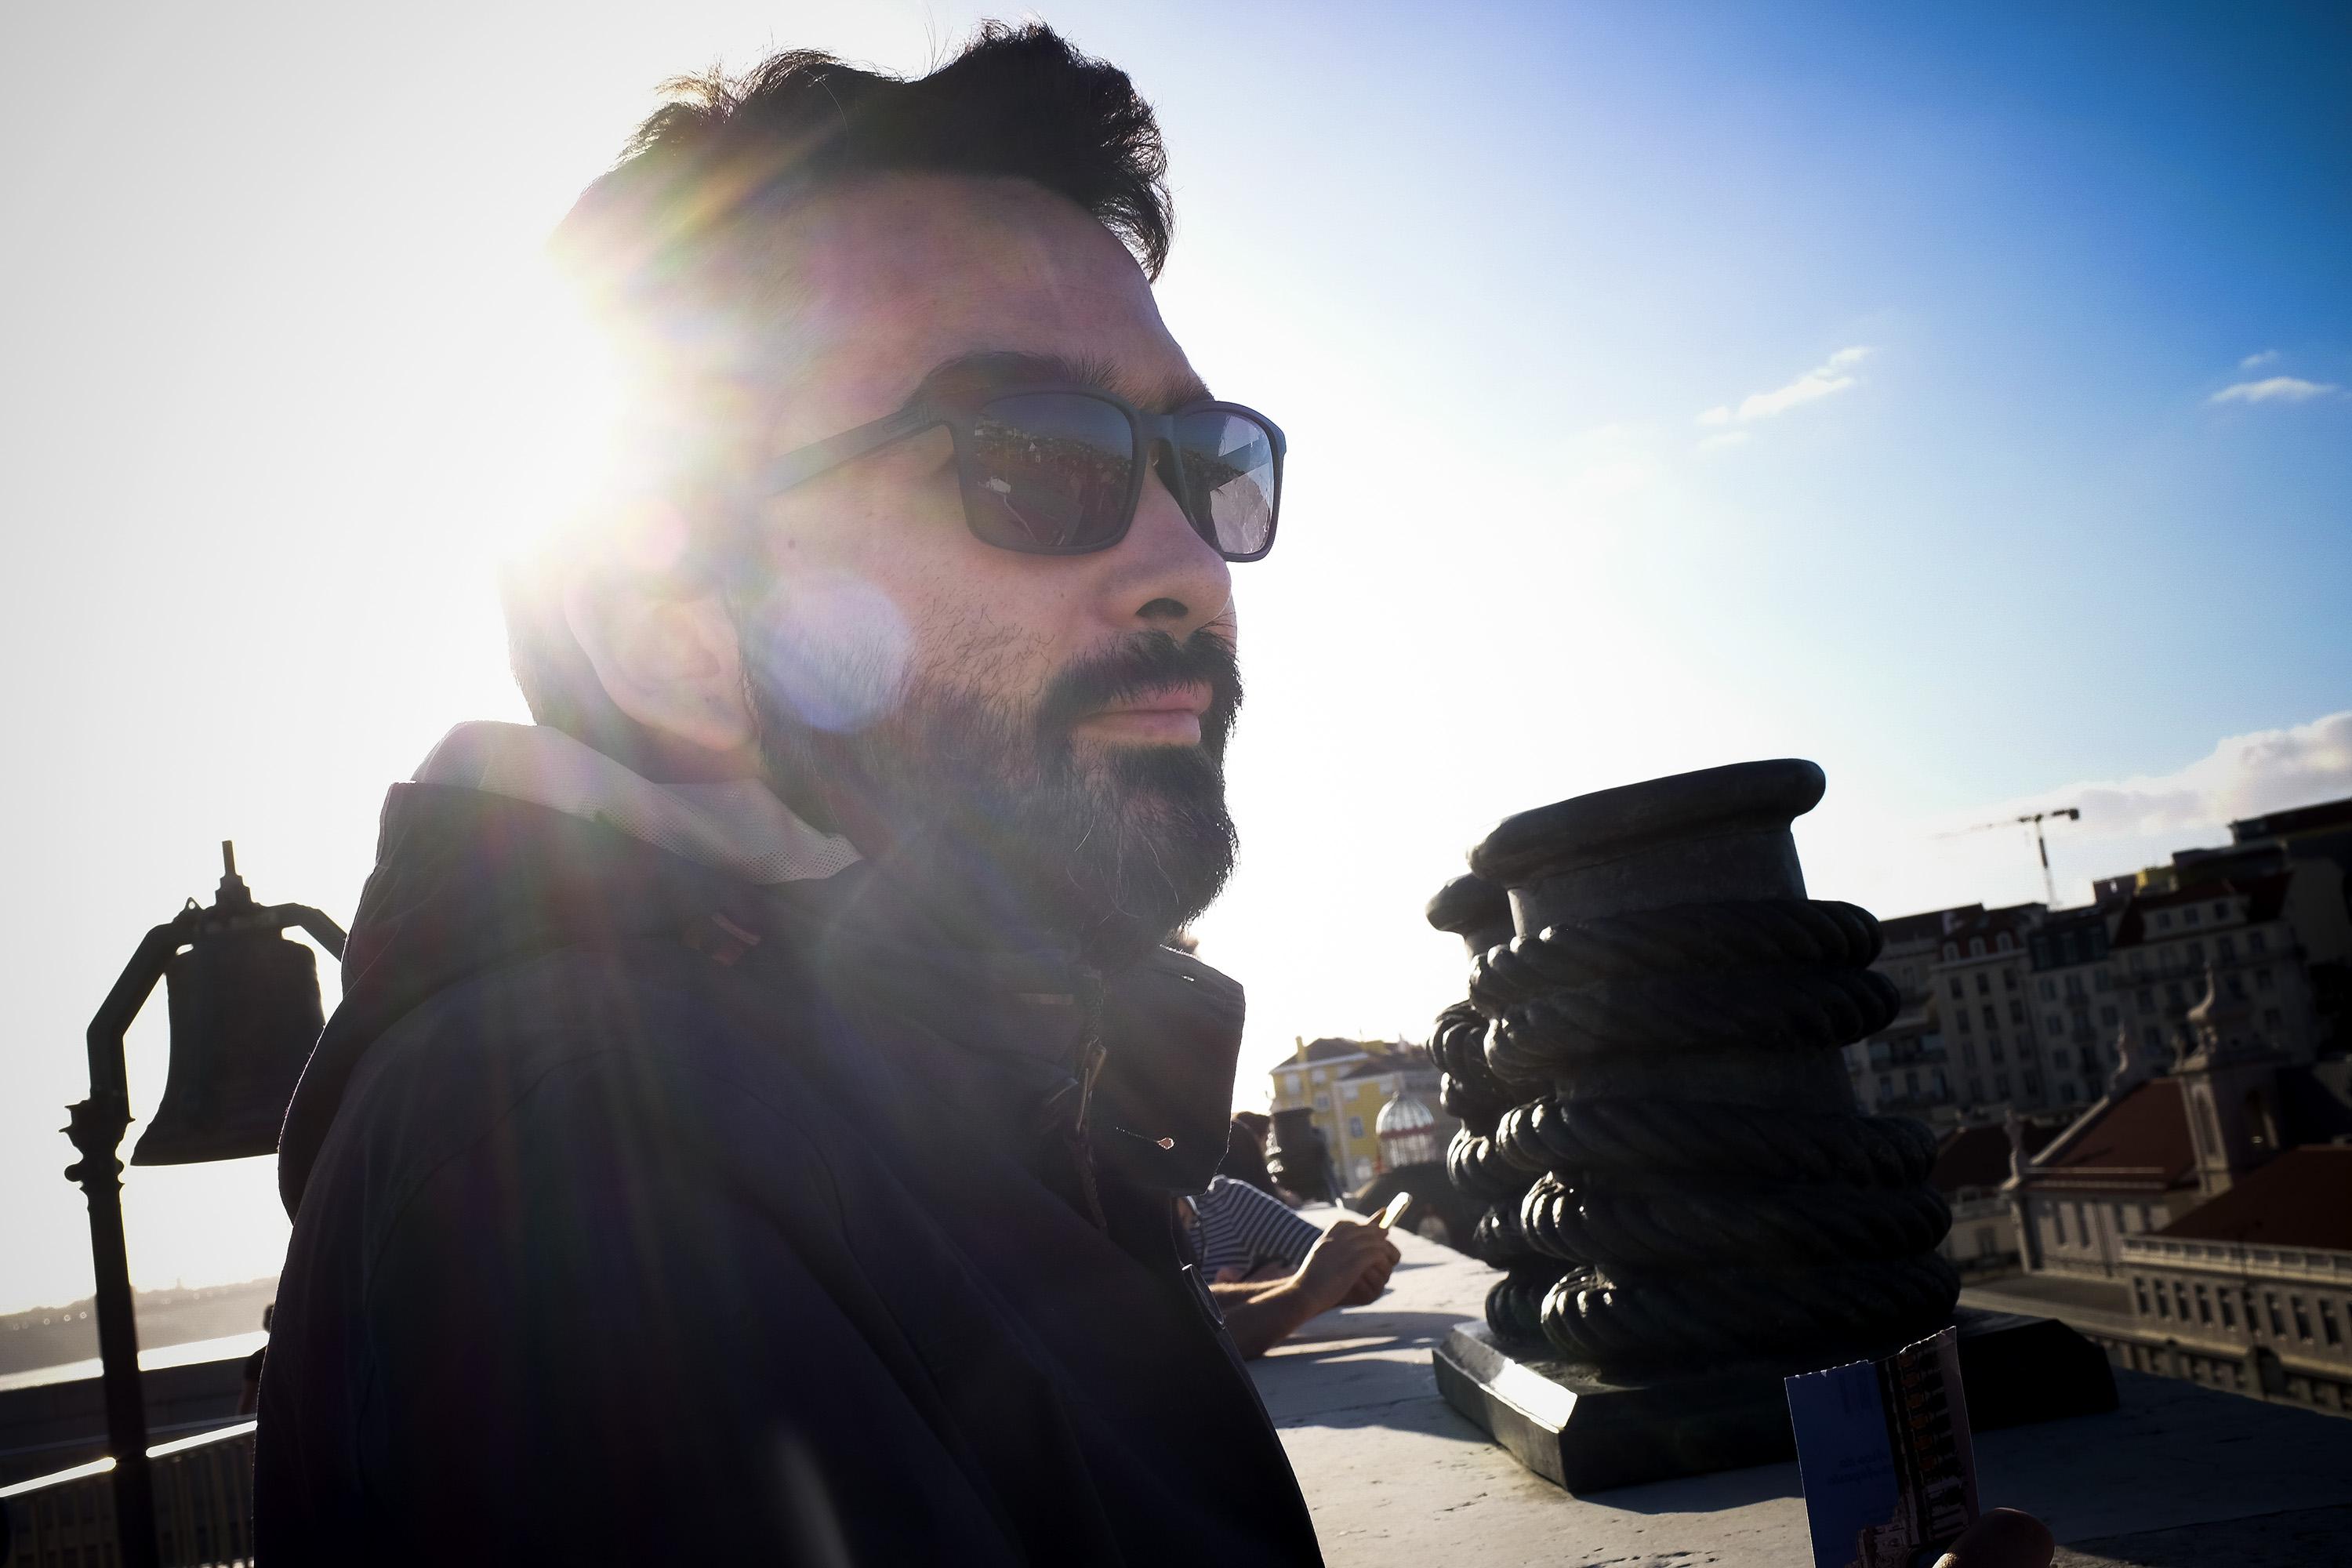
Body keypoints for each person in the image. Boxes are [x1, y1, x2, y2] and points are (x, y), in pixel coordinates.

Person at [259, 26, 1316, 1565]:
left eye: (1201, 458)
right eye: (1030, 454)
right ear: (687, 643)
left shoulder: (951, 1091)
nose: (1182, 565)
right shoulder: (576, 1164)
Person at [1185, 1179, 1399, 1359]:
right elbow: (1182, 1345)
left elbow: (1190, 1299)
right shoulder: (1153, 1222)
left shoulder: (1225, 1200)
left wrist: (1330, 1288)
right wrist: (1304, 1294)